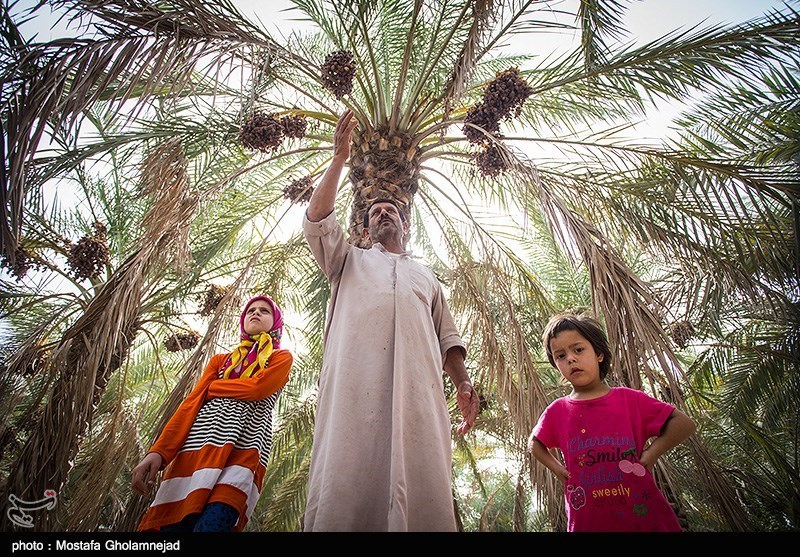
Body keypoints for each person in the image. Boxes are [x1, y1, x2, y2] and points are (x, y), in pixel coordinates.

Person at [301, 109, 480, 531]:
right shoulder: (347, 262)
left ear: (404, 223)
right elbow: (317, 222)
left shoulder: (426, 277)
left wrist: (463, 382)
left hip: (420, 393)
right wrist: (339, 160)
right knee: (345, 487)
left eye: (390, 210)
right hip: (352, 391)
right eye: (374, 212)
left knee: (422, 491)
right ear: (363, 227)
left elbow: (447, 339)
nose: (382, 213)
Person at [131, 295, 293, 532]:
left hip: (242, 454)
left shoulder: (280, 358)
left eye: (264, 311)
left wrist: (213, 387)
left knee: (215, 522)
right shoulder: (221, 361)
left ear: (276, 323)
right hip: (195, 454)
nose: (255, 313)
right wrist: (158, 453)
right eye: (251, 310)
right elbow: (191, 405)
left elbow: (258, 389)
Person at [527, 311, 696, 532]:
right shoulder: (557, 411)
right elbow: (534, 443)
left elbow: (684, 424)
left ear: (598, 354)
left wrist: (652, 453)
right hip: (589, 522)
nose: (570, 359)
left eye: (578, 350)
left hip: (644, 517)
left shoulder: (630, 399)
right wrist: (559, 470)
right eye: (560, 356)